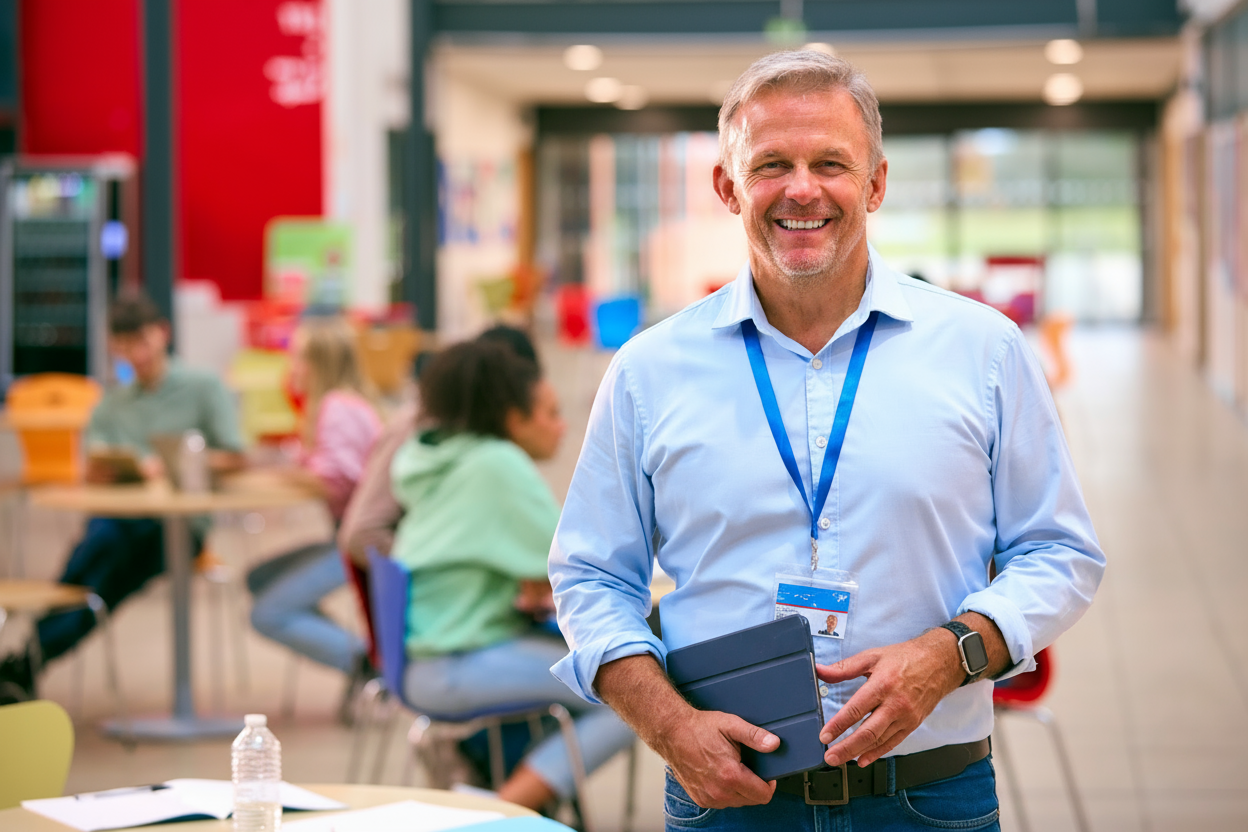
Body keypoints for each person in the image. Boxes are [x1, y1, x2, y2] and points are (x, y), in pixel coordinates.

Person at [548, 50, 1106, 831]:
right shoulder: (649, 370)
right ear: (727, 187)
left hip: (929, 796)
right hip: (729, 800)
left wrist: (951, 654)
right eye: (771, 163)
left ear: (875, 184)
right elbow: (590, 577)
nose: (801, 189)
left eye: (830, 163)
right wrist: (668, 725)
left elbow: (1060, 551)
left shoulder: (983, 350)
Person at [388, 339, 635, 812]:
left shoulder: (441, 456)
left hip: (428, 655)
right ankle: (499, 813)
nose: (563, 426)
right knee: (634, 695)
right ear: (511, 416)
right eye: (549, 412)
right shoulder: (495, 465)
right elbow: (578, 559)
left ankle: (499, 798)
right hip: (457, 661)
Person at [0, 293, 246, 703]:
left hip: (179, 526)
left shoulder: (203, 388)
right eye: (125, 345)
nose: (136, 353)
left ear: (162, 334)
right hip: (118, 519)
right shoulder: (111, 405)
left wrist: (179, 462)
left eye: (142, 341)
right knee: (94, 560)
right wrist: (105, 470)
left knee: (103, 578)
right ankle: (26, 662)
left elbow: (236, 456)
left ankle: (26, 660)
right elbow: (93, 464)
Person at [245, 316, 382, 687]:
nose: (293, 367)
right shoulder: (345, 405)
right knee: (260, 578)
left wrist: (276, 472)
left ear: (320, 363)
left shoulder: (336, 406)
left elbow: (335, 478)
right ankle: (359, 657)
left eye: (299, 357)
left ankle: (367, 667)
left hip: (359, 542)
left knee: (267, 613)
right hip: (353, 536)